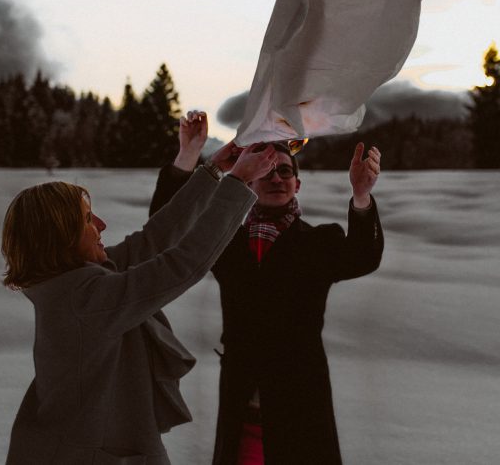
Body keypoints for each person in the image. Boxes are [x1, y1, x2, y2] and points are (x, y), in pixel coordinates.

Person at [2, 122, 277, 465]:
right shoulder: (86, 299)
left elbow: (153, 240)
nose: (101, 224)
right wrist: (237, 184)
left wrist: (212, 172)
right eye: (87, 219)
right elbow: (181, 265)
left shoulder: (74, 284)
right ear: (60, 236)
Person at [148, 112, 384, 465]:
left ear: (297, 185)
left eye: (285, 171)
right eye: (267, 171)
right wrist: (188, 155)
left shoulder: (318, 243)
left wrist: (361, 196)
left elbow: (363, 256)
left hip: (300, 405)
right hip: (241, 402)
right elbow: (167, 228)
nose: (276, 178)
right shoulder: (225, 240)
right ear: (249, 182)